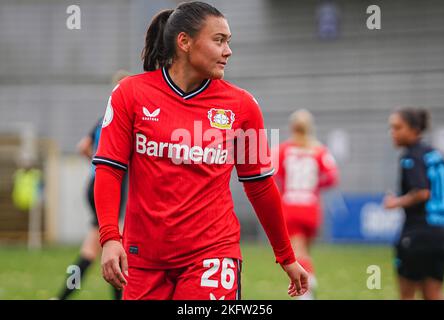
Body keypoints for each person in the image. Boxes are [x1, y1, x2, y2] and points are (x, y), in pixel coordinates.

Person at [92, 1, 308, 300]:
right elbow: (109, 169)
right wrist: (109, 238)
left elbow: (260, 186)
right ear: (184, 41)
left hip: (213, 254)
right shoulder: (130, 94)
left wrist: (286, 256)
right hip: (143, 260)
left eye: (228, 42)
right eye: (219, 40)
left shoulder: (243, 106)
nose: (228, 51)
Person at [55, 70, 132, 300]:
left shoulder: (103, 119)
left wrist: (96, 163)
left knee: (92, 248)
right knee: (112, 244)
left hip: (95, 184)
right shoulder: (125, 119)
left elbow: (83, 146)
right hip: (109, 188)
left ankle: (61, 296)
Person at [384, 107, 444, 300]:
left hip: (419, 234)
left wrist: (395, 202)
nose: (392, 133)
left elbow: (422, 192)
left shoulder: (411, 156)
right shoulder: (437, 154)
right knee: (433, 295)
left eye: (397, 127)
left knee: (407, 296)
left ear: (414, 129)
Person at [273, 109, 339, 299]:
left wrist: (285, 186)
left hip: (291, 205)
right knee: (305, 249)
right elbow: (332, 177)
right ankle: (309, 278)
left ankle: (306, 285)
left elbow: (271, 172)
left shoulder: (283, 149)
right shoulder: (319, 150)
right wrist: (316, 185)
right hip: (311, 205)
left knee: (298, 251)